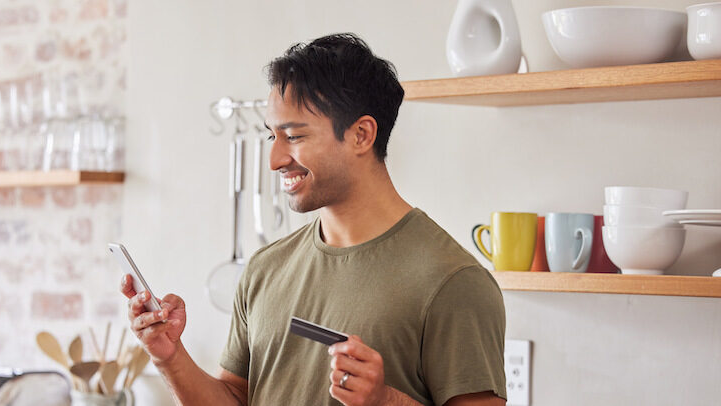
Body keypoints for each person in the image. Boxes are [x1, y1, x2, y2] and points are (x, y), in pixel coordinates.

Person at [121, 33, 507, 406]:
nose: (274, 160)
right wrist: (169, 357)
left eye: (294, 136)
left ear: (361, 135)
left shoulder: (452, 281)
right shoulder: (265, 268)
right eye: (272, 136)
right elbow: (236, 399)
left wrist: (383, 402)